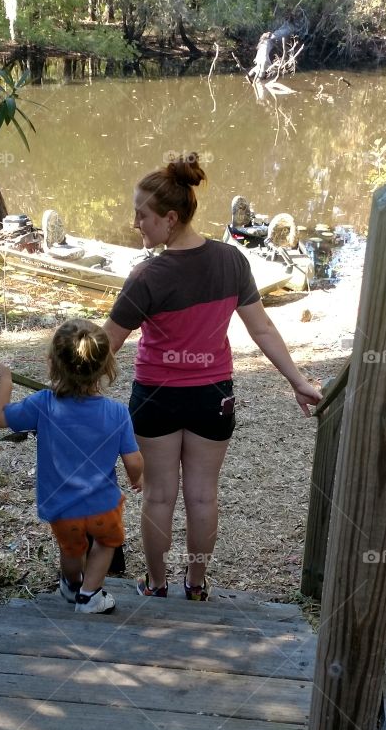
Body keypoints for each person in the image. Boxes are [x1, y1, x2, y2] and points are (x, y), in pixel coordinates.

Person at [102, 153, 320, 601]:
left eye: (142, 215)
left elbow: (105, 346)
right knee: (203, 497)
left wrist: (68, 385)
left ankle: (157, 584)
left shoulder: (145, 276)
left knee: (158, 497)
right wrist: (297, 380)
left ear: (170, 218)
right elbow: (260, 327)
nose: (136, 223)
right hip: (213, 397)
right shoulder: (231, 261)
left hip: (155, 399)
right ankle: (197, 586)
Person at [0, 319, 143, 614]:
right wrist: (139, 478)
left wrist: (4, 381)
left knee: (72, 549)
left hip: (61, 506)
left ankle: (72, 587)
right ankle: (90, 595)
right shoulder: (117, 413)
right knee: (107, 542)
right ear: (107, 365)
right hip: (103, 506)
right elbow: (133, 460)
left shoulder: (43, 404)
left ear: (52, 363)